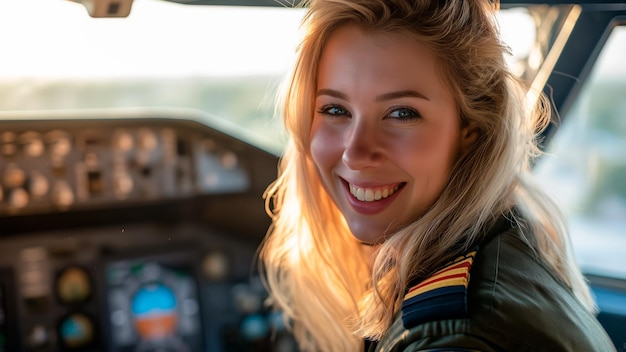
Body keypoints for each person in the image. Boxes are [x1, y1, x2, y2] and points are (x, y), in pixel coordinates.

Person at [258, 0, 616, 351]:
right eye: (335, 109)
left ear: (470, 130)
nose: (355, 153)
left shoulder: (456, 338)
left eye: (401, 114)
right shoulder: (507, 238)